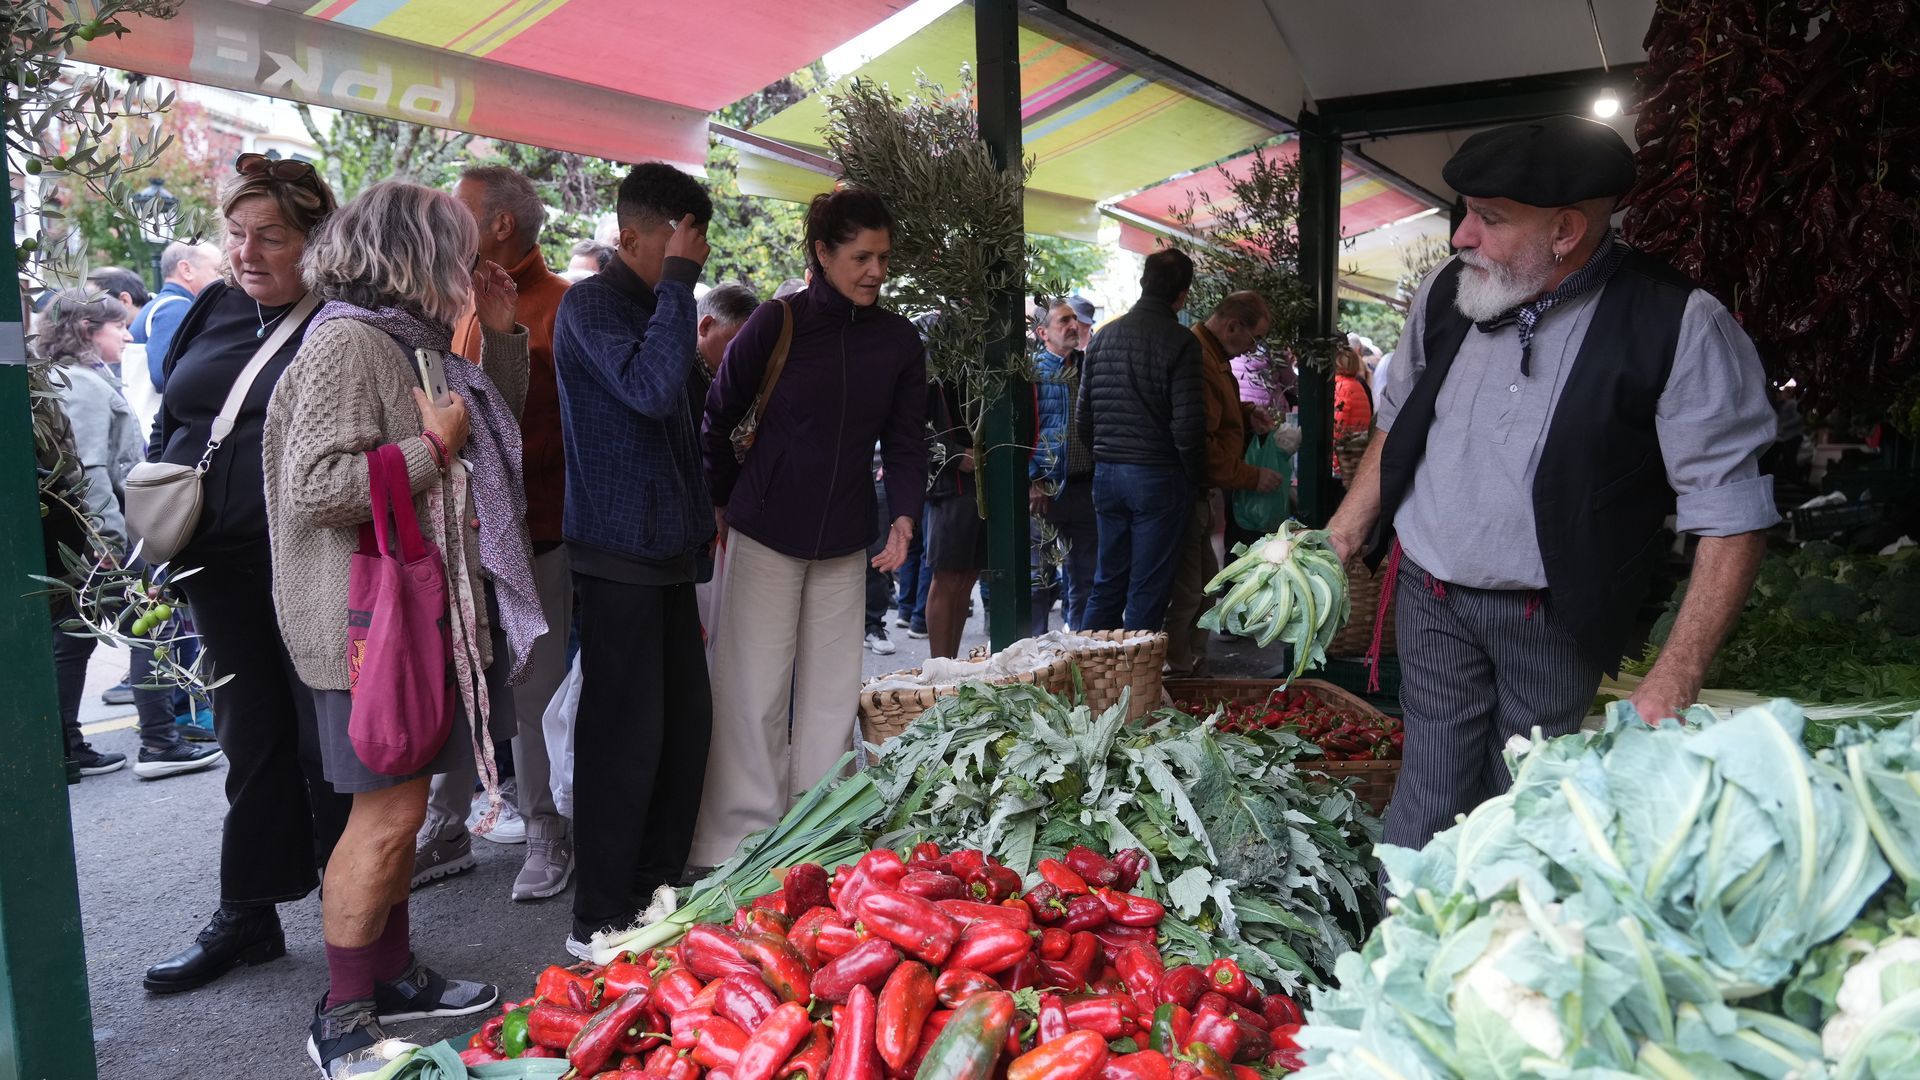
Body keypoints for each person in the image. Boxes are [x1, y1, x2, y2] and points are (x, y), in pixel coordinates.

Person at [1323, 115, 1778, 860]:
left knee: (1528, 806)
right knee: (1427, 796)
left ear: (1565, 229)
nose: (1461, 236)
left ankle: (1505, 959)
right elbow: (1399, 418)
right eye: (1463, 211)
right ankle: (1398, 947)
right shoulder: (1447, 294)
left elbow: (1730, 510)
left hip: (1555, 614)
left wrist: (1676, 674)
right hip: (1431, 594)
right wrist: (1340, 536)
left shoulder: (1678, 323)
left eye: (1489, 219)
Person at [263, 179, 535, 1074]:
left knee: (400, 805)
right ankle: (341, 1013)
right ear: (412, 255)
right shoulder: (349, 343)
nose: (468, 264)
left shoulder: (400, 339)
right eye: (454, 250)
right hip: (364, 627)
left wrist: (495, 334)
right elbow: (318, 487)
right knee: (384, 817)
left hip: (403, 621)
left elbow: (486, 424)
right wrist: (433, 449)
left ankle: (391, 974)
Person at [142, 154, 354, 998]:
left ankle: (360, 922)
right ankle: (250, 912)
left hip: (306, 566)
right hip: (215, 566)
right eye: (236, 234)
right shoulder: (215, 307)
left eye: (271, 236)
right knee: (249, 739)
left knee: (324, 745)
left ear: (316, 241)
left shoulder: (339, 325)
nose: (248, 252)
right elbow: (174, 414)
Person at [693, 187, 927, 866]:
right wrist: (720, 499)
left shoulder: (900, 340)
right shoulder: (776, 320)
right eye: (861, 256)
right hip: (763, 527)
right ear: (821, 254)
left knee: (831, 692)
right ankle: (737, 839)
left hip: (846, 535)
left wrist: (905, 515)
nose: (876, 270)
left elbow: (907, 441)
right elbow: (718, 415)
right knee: (752, 687)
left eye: (884, 257)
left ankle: (821, 831)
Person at [552, 163, 717, 957]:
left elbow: (684, 415)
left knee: (682, 733)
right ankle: (599, 916)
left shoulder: (661, 306)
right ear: (631, 237)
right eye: (676, 245)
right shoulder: (591, 304)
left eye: (697, 248)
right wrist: (682, 287)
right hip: (617, 553)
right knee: (624, 741)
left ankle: (656, 891)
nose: (688, 260)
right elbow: (650, 392)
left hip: (669, 554)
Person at [407, 165, 577, 901]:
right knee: (460, 677)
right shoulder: (451, 298)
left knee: (533, 686)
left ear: (500, 225)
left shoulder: (565, 307)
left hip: (539, 526)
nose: (447, 215)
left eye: (462, 207)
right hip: (458, 529)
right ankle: (443, 827)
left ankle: (547, 831)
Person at [38, 288, 226, 781]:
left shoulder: (70, 380)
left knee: (75, 639)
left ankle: (67, 745)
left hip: (98, 530)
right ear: (84, 331)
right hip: (108, 530)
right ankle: (160, 742)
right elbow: (90, 469)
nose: (126, 334)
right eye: (114, 326)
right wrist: (106, 539)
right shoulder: (82, 384)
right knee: (151, 626)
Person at [1078, 249, 1207, 632]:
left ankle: (1087, 675)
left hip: (1107, 475)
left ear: (1142, 283)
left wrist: (1104, 455)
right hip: (1158, 477)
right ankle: (1135, 686)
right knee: (1147, 591)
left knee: (1107, 583)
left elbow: (1084, 416)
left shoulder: (1102, 337)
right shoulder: (1181, 342)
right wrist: (1197, 478)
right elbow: (1188, 426)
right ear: (1182, 295)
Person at [1164, 292, 1284, 675]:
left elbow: (1216, 417)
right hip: (1183, 493)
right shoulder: (1199, 359)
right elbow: (1203, 441)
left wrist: (1247, 414)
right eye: (1254, 338)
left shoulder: (1214, 357)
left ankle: (1193, 664)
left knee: (1203, 585)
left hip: (1196, 493)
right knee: (1187, 592)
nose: (1253, 348)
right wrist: (1252, 477)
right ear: (1233, 326)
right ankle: (1177, 671)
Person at [1029, 301, 1098, 633]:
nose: (1073, 325)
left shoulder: (1086, 366)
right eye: (1064, 321)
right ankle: (1038, 655)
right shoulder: (1032, 371)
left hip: (1085, 486)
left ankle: (1081, 647)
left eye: (1074, 320)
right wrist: (1033, 480)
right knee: (1040, 577)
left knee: (1087, 573)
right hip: (1047, 488)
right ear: (1043, 332)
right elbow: (1022, 430)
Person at [1330, 343, 1373, 484]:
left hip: (1344, 458)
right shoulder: (1358, 385)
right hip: (1356, 451)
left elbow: (1338, 427)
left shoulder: (1342, 387)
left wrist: (1334, 460)